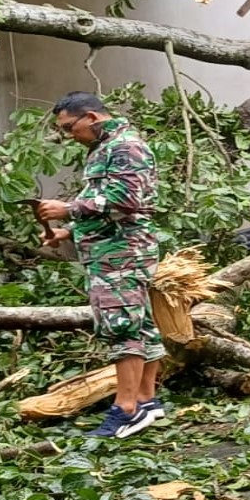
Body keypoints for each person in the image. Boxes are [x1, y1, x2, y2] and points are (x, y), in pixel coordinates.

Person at [36, 92, 164, 438]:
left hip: (122, 254)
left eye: (68, 127)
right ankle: (146, 399)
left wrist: (69, 209)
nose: (68, 135)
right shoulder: (105, 148)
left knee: (121, 325)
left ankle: (125, 409)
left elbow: (126, 199)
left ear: (91, 117)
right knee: (140, 325)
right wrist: (66, 231)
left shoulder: (124, 147)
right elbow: (110, 211)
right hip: (115, 249)